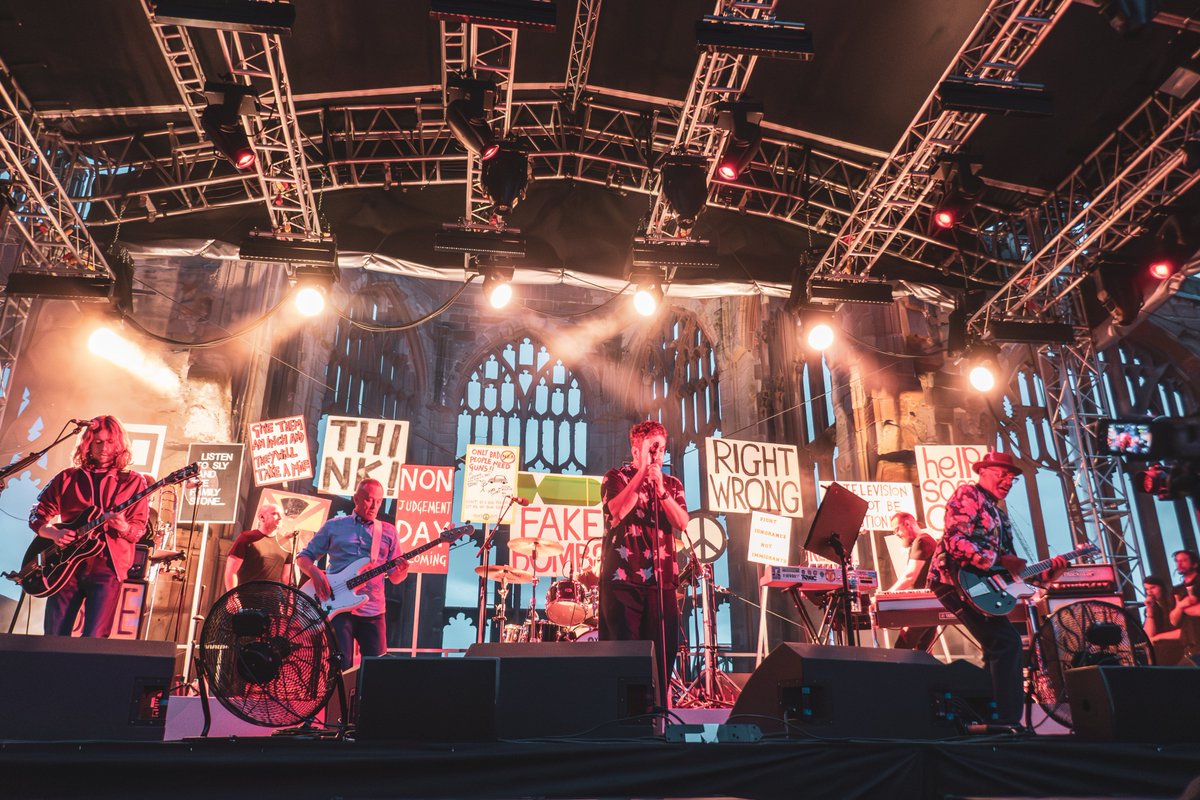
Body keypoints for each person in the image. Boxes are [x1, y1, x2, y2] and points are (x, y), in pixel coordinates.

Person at [928, 450, 1066, 726]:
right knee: (1006, 642)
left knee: (997, 646)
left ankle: (982, 717)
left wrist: (1048, 574)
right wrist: (999, 558)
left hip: (982, 588)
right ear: (983, 473)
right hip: (954, 581)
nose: (1007, 481)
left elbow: (1012, 573)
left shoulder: (1000, 517)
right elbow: (955, 540)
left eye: (1011, 478)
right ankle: (1007, 722)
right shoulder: (968, 495)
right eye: (1001, 474)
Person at [29, 415, 150, 637]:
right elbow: (38, 512)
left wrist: (123, 527)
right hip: (65, 566)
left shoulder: (134, 481)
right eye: (98, 442)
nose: (104, 448)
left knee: (94, 640)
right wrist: (51, 532)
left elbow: (139, 529)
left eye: (110, 442)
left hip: (107, 567)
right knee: (54, 637)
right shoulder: (68, 477)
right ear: (87, 444)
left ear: (119, 444)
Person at [599, 420, 690, 708]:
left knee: (664, 653)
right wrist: (640, 477)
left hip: (661, 582)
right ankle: (625, 721)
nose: (657, 455)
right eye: (652, 448)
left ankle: (658, 715)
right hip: (622, 580)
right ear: (635, 449)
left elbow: (682, 522)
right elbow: (616, 513)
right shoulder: (616, 477)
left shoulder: (671, 484)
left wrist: (660, 490)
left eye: (661, 449)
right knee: (626, 654)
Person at [297, 479, 409, 669]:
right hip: (337, 607)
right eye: (369, 500)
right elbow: (303, 558)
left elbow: (395, 578)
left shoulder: (389, 532)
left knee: (376, 668)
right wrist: (315, 573)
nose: (374, 506)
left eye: (379, 501)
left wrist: (402, 571)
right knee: (341, 667)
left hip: (373, 609)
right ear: (356, 498)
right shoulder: (334, 526)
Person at [886, 511, 939, 651]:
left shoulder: (922, 541)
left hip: (925, 607)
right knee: (923, 653)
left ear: (907, 523)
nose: (896, 534)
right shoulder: (924, 540)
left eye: (897, 529)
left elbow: (910, 576)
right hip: (929, 605)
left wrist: (884, 597)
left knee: (901, 650)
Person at [224, 503, 290, 591]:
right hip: (246, 598)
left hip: (271, 601)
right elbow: (231, 571)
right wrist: (232, 597)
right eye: (275, 514)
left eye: (281, 515)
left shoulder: (285, 544)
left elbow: (286, 578)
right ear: (262, 517)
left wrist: (288, 601)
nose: (280, 518)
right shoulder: (246, 538)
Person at [1167, 549, 1200, 665]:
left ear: (1195, 564)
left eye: (1184, 560)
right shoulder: (1177, 590)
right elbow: (1173, 621)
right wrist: (1181, 605)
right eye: (1177, 561)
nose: (1179, 564)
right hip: (1190, 646)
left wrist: (1183, 608)